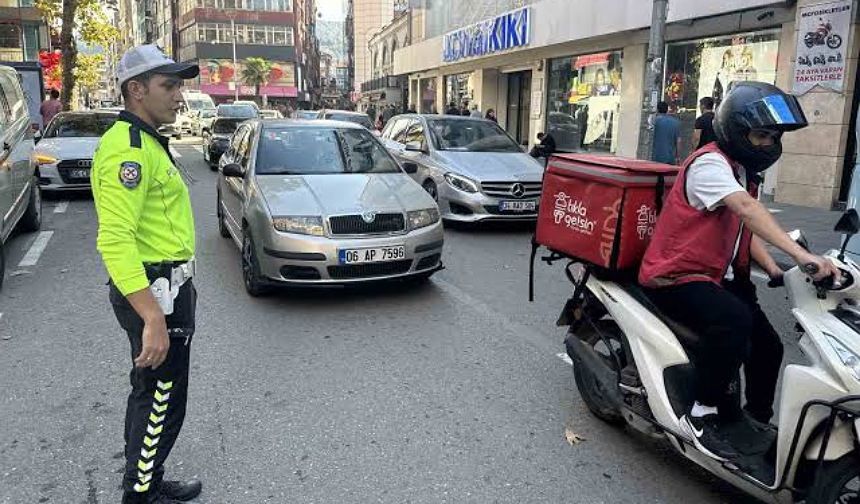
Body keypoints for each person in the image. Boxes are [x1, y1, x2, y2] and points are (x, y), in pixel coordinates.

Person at [638, 82, 839, 462]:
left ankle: (754, 421)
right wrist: (800, 255)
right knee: (733, 321)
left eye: (772, 137)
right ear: (735, 129)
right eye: (761, 134)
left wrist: (774, 269)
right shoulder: (710, 163)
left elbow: (743, 229)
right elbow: (746, 210)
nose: (767, 144)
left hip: (715, 274)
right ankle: (701, 412)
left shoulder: (741, 170)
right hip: (675, 275)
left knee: (768, 346)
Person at [91, 44, 203, 504]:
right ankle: (140, 494)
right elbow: (114, 240)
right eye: (169, 86)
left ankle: (147, 480)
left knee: (159, 394)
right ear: (136, 91)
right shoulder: (128, 153)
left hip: (167, 287)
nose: (180, 96)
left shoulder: (147, 141)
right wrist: (153, 317)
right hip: (155, 293)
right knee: (159, 399)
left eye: (180, 85)